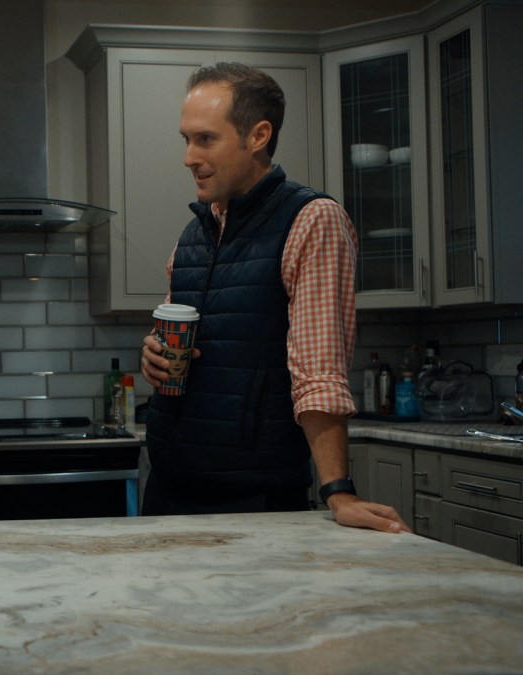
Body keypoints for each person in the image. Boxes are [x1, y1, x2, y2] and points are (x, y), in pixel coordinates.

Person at [137, 63, 410, 534]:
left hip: (253, 500)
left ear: (258, 135)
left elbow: (318, 370)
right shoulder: (193, 234)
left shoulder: (311, 220)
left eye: (205, 139)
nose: (188, 157)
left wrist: (338, 491)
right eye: (186, 139)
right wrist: (153, 356)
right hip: (167, 488)